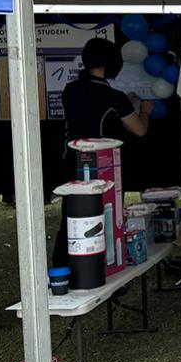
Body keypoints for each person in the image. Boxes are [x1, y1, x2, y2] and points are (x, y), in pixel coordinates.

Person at [53, 38, 153, 268]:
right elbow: (139, 129)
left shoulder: (71, 89)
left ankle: (60, 271)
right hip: (102, 168)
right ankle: (102, 268)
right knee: (105, 219)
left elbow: (91, 111)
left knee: (71, 220)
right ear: (110, 65)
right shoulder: (114, 97)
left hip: (73, 163)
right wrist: (145, 111)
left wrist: (123, 105)